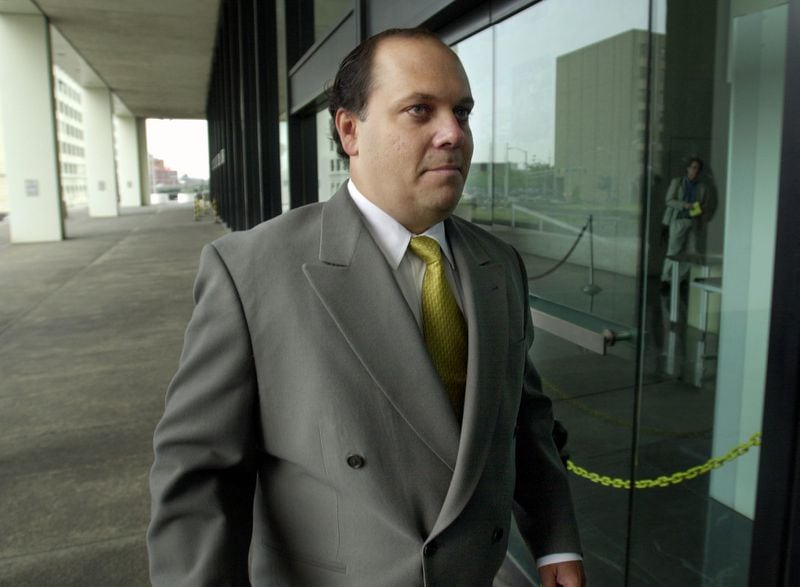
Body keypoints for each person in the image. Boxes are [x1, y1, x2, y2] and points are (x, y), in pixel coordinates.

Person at [148, 28, 585, 587]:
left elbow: (523, 421)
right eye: (420, 110)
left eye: (463, 112)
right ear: (350, 130)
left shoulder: (498, 265)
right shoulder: (253, 270)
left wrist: (554, 544)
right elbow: (198, 475)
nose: (452, 133)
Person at [659, 157, 708, 293]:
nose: (695, 171)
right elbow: (669, 200)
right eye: (693, 167)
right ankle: (665, 279)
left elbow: (704, 204)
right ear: (688, 169)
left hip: (693, 221)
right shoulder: (678, 182)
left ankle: (680, 279)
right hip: (678, 220)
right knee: (673, 251)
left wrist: (701, 209)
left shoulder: (702, 187)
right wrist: (685, 205)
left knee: (691, 252)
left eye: (698, 168)